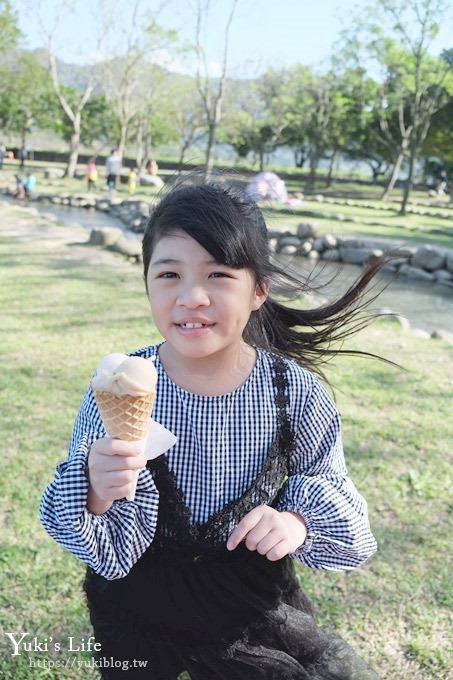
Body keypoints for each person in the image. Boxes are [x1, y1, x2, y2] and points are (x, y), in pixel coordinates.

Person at [40, 181, 386, 679]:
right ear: (147, 283)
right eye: (169, 274)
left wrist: (297, 523)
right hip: (134, 602)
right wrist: (94, 490)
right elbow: (97, 536)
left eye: (218, 274)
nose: (191, 297)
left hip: (246, 604)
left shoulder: (296, 394)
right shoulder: (117, 384)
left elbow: (340, 500)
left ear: (259, 290)